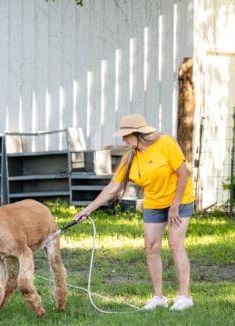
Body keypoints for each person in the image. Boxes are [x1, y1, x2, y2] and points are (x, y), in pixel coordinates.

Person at [74, 114, 195, 311]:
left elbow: (183, 174)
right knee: (151, 246)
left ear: (138, 134)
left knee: (175, 243)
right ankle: (159, 298)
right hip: (154, 202)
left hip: (179, 199)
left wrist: (174, 204)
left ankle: (184, 297)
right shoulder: (130, 156)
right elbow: (113, 188)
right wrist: (87, 210)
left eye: (126, 135)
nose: (123, 139)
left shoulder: (165, 143)